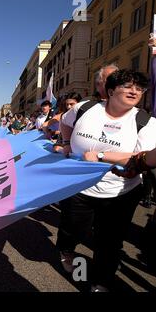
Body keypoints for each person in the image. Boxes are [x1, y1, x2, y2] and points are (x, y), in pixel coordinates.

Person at [56, 69, 156, 292]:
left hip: (120, 193)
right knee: (73, 229)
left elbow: (142, 158)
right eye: (128, 86)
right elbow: (64, 121)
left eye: (139, 88)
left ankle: (100, 283)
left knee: (109, 243)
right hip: (78, 187)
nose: (134, 91)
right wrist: (65, 142)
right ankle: (67, 250)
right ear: (110, 91)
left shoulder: (146, 122)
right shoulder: (86, 108)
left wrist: (101, 156)